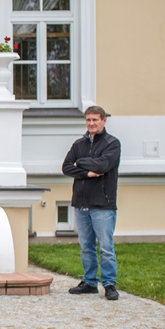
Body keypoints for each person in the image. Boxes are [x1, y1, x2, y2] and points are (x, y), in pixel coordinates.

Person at [62, 105, 122, 300]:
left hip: (102, 204)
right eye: (88, 120)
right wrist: (87, 173)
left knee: (106, 248)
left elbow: (103, 165)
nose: (91, 123)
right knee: (86, 247)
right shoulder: (79, 144)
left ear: (104, 121)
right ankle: (89, 282)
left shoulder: (112, 144)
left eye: (95, 120)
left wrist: (80, 162)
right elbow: (66, 167)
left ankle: (109, 284)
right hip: (81, 203)